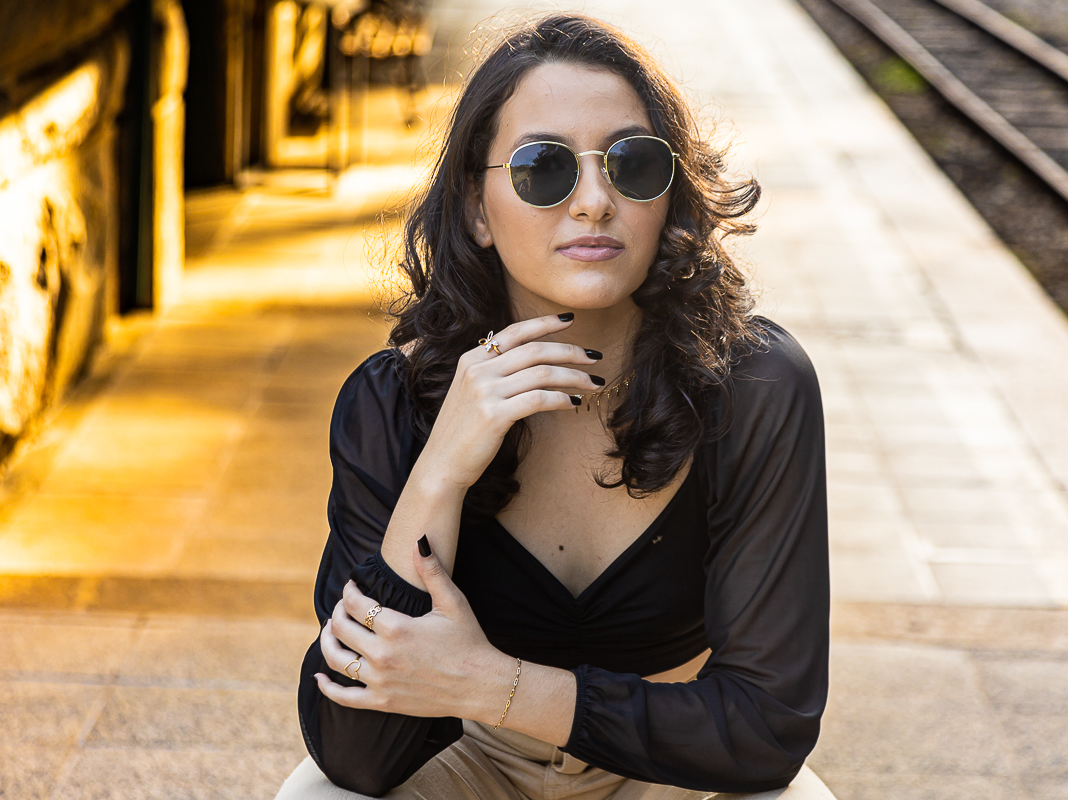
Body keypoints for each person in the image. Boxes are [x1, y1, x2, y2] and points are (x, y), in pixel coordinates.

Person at [275, 12, 831, 800]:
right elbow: (355, 751)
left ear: (669, 196)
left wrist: (493, 685)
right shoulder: (392, 401)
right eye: (545, 168)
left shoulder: (755, 386)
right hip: (468, 758)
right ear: (477, 208)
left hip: (669, 759)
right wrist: (440, 471)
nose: (596, 201)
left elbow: (765, 731)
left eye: (634, 164)